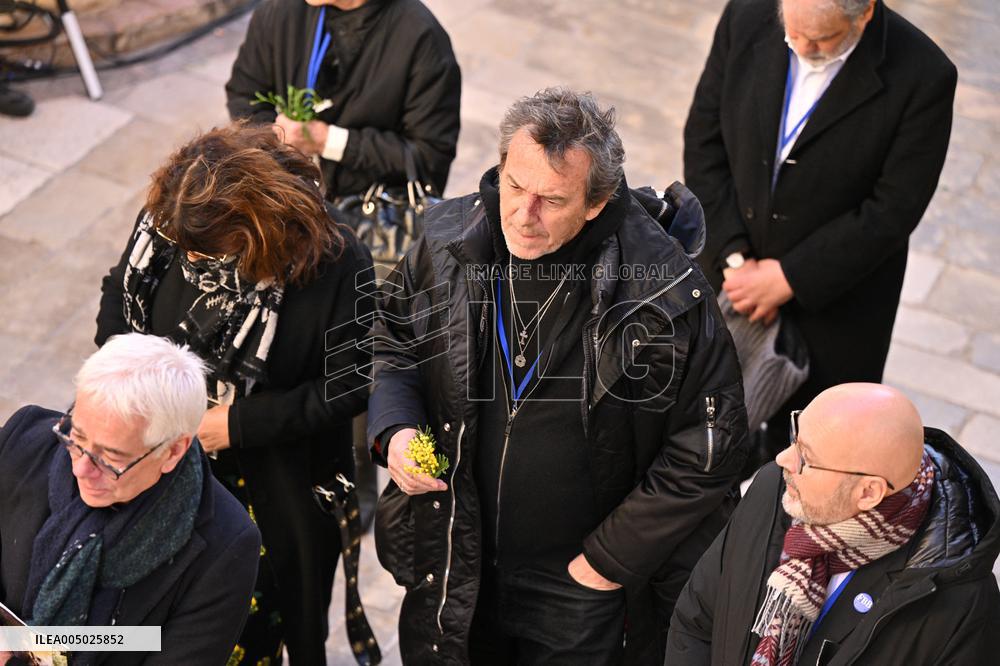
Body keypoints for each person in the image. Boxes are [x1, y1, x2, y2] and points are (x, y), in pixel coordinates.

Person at [367, 87, 749, 665]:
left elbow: (709, 450)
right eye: (515, 186)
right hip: (457, 557)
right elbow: (391, 338)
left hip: (580, 586)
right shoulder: (446, 242)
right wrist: (395, 428)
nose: (523, 216)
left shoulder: (665, 290)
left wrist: (606, 561)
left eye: (551, 199)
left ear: (596, 203)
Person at [95, 124, 376, 664]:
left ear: (256, 231)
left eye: (204, 255)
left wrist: (235, 425)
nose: (189, 259)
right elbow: (120, 293)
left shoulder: (337, 261)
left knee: (237, 635)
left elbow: (353, 380)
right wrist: (128, 382)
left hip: (267, 488)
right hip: (157, 464)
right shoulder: (172, 220)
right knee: (147, 626)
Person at [683, 0, 957, 465]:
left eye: (821, 39)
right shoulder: (747, 15)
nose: (803, 48)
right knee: (700, 446)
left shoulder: (924, 74)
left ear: (865, 13)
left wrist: (790, 277)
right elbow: (704, 141)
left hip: (838, 311)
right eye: (793, 33)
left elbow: (893, 210)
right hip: (732, 281)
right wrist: (734, 257)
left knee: (812, 463)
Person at [666, 383, 1000, 665]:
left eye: (807, 457)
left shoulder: (962, 604)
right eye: (795, 435)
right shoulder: (775, 489)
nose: (783, 459)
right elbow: (696, 619)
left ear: (868, 492)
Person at [0, 333, 261, 665]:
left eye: (110, 459)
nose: (80, 469)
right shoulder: (23, 442)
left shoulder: (225, 546)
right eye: (76, 437)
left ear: (173, 451)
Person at [225, 0, 462, 201]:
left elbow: (430, 157)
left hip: (369, 215)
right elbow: (245, 93)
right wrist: (276, 140)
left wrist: (328, 140)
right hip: (291, 200)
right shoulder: (281, 11)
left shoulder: (421, 37)